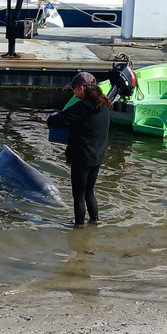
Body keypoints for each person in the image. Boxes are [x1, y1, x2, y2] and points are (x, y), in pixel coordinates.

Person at [47, 71, 112, 227]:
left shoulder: (82, 106)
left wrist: (50, 118)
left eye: (74, 88)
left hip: (82, 158)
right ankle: (95, 220)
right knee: (89, 191)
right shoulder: (104, 104)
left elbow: (56, 120)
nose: (72, 91)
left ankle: (79, 225)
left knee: (78, 194)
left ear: (82, 88)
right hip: (97, 156)